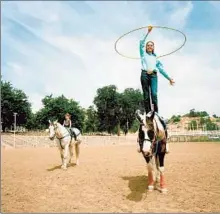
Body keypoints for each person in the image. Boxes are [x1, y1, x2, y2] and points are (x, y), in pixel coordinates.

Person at [139, 26, 175, 118]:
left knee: (154, 94)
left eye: (151, 45)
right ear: (146, 47)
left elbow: (161, 70)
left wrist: (169, 78)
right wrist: (147, 32)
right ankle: (148, 113)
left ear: (153, 47)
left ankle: (156, 113)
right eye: (148, 45)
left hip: (154, 76)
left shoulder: (156, 58)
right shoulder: (143, 54)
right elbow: (141, 43)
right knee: (146, 95)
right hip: (144, 75)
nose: (149, 46)